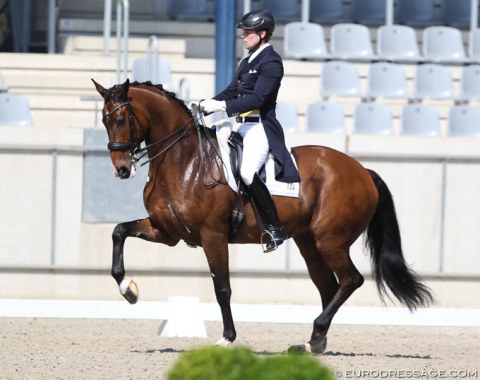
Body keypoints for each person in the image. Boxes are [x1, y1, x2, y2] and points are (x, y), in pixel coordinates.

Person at [199, 10, 300, 252]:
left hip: (261, 126)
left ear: (262, 34)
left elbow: (259, 97)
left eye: (248, 32)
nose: (243, 36)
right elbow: (232, 91)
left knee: (246, 172)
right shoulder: (247, 61)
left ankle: (274, 229)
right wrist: (206, 104)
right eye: (243, 32)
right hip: (241, 124)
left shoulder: (272, 62)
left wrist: (222, 106)